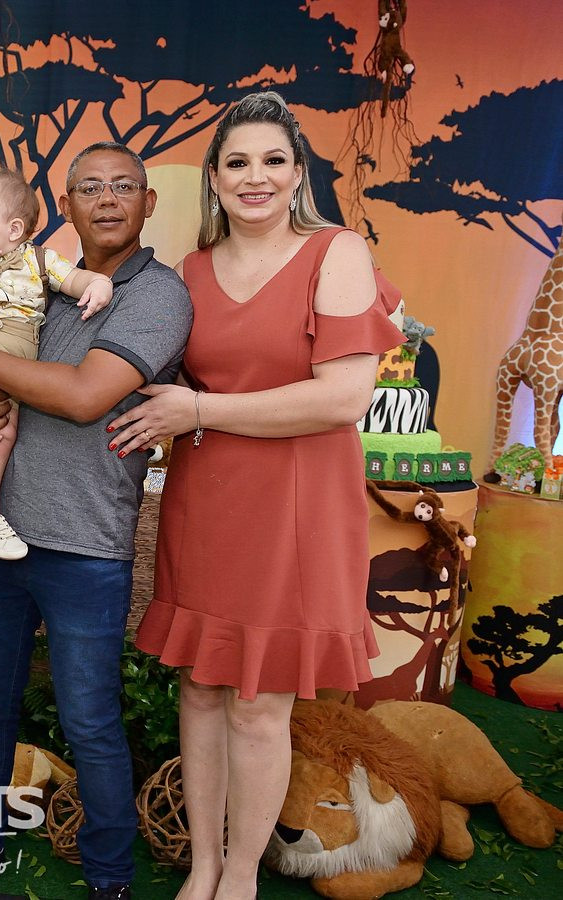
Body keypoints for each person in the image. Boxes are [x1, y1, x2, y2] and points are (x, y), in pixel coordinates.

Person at [110, 92, 404, 900]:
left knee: (256, 707)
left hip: (298, 508)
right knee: (201, 689)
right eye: (236, 162)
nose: (255, 177)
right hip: (207, 501)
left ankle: (240, 874)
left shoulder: (336, 252)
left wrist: (200, 411)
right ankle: (203, 862)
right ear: (212, 177)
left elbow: (343, 397)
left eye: (273, 160)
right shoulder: (190, 272)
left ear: (298, 172)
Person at [0, 143, 192, 900]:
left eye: (123, 186)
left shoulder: (157, 295)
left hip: (85, 544)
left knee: (90, 721)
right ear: (64, 206)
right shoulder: (35, 276)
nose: (107, 199)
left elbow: (81, 396)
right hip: (2, 531)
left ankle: (109, 878)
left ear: (147, 203)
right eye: (89, 187)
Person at [0, 169, 114, 572]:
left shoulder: (40, 260)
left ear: (14, 229)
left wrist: (98, 283)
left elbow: (74, 279)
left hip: (16, 362)